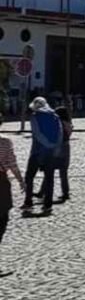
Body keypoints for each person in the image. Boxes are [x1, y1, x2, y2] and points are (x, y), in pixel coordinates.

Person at [22, 97, 61, 216]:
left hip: (37, 152)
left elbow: (37, 134)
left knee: (29, 177)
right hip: (51, 152)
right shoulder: (55, 116)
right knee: (49, 179)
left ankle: (28, 202)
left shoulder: (35, 116)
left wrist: (47, 144)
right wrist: (55, 148)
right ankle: (48, 205)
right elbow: (60, 133)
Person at [0, 114, 25, 269]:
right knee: (2, 220)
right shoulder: (4, 142)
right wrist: (21, 180)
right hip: (1, 184)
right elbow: (11, 163)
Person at [54, 105, 73, 204]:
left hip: (59, 147)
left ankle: (43, 191)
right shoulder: (69, 123)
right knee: (63, 172)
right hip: (67, 147)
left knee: (50, 169)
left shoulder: (59, 124)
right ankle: (66, 192)